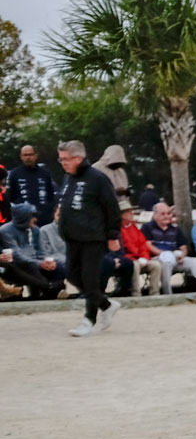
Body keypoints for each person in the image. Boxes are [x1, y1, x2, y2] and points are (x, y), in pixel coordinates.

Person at [57, 140, 123, 337]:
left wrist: (112, 235)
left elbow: (112, 208)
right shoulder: (68, 178)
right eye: (60, 159)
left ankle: (89, 319)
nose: (63, 163)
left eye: (66, 159)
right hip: (72, 237)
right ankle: (107, 304)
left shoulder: (98, 179)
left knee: (90, 279)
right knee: (71, 275)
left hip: (93, 238)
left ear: (78, 158)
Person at [141, 201, 196, 293]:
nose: (166, 216)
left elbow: (183, 247)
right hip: (156, 258)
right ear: (155, 215)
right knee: (166, 261)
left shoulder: (175, 229)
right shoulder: (147, 227)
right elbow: (147, 245)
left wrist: (182, 255)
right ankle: (167, 293)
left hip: (175, 258)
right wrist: (163, 254)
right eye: (163, 214)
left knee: (194, 262)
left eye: (168, 213)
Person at [0, 202, 67, 299]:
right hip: (19, 263)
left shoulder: (35, 230)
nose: (35, 220)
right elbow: (16, 254)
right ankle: (48, 288)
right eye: (32, 217)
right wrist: (39, 263)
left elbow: (41, 251)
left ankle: (54, 292)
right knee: (28, 267)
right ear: (23, 218)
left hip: (33, 261)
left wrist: (46, 262)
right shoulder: (5, 230)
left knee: (57, 267)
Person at [115, 200, 161, 296]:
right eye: (128, 211)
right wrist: (138, 256)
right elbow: (125, 247)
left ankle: (155, 293)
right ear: (122, 214)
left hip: (139, 258)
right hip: (129, 259)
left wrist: (144, 257)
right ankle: (136, 293)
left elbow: (143, 244)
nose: (131, 213)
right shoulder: (118, 230)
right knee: (134, 266)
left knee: (156, 265)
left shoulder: (134, 227)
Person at [7, 145, 58, 218]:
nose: (28, 157)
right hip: (23, 218)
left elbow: (50, 196)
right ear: (21, 157)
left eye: (30, 154)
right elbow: (11, 197)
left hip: (43, 217)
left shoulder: (44, 173)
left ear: (36, 156)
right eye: (25, 155)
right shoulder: (15, 174)